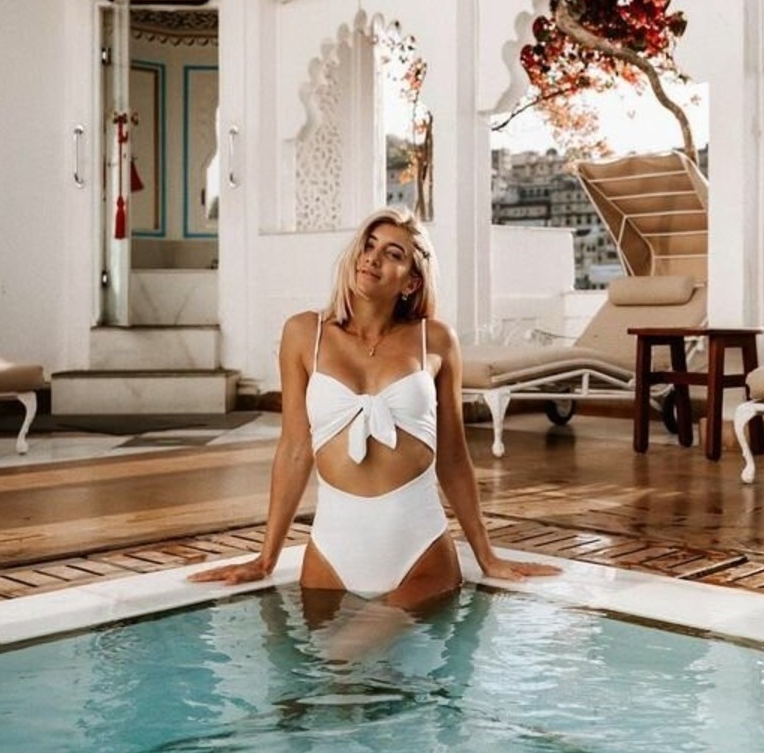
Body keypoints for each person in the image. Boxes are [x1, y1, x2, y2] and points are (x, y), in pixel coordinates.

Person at [191, 207, 557, 607]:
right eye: (368, 246)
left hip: (420, 551)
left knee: (357, 644)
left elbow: (453, 456)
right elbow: (295, 450)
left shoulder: (435, 339)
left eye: (392, 253)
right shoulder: (304, 333)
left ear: (412, 282)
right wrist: (266, 560)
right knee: (316, 651)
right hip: (331, 552)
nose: (372, 258)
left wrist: (487, 557)